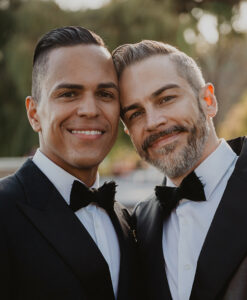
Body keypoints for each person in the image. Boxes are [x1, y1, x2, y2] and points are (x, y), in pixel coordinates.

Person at [112, 40, 247, 300]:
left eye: (166, 99)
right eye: (135, 114)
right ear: (128, 130)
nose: (154, 122)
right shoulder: (140, 221)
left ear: (208, 100)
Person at [0, 26, 136, 300]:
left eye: (105, 94)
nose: (89, 109)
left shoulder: (127, 220)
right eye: (69, 94)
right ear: (34, 113)